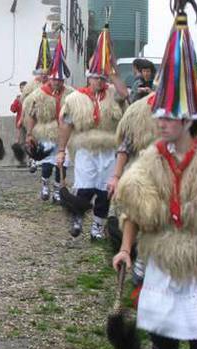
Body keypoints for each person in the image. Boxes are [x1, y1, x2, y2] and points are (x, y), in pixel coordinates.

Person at [113, 7, 197, 349]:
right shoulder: (150, 160)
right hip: (164, 255)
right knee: (159, 332)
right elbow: (134, 209)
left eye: (169, 117)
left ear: (188, 120)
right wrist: (125, 249)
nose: (161, 122)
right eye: (160, 115)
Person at [56, 23, 128, 239]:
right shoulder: (75, 99)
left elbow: (124, 94)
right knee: (85, 189)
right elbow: (66, 125)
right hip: (86, 149)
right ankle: (77, 218)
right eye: (96, 77)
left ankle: (97, 226)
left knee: (105, 192)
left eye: (102, 77)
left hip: (108, 151)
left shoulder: (113, 93)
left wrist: (112, 71)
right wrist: (61, 150)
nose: (99, 81)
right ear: (88, 77)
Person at [24, 33, 72, 203]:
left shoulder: (71, 94)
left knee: (63, 164)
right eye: (55, 79)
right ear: (50, 78)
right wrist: (29, 134)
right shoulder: (40, 94)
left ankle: (58, 190)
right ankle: (45, 184)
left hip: (65, 134)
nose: (57, 82)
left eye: (60, 80)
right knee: (47, 163)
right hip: (47, 131)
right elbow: (31, 114)